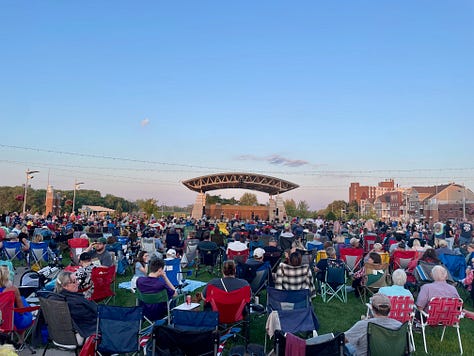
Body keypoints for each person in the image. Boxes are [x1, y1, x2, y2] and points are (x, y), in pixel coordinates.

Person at [54, 270, 98, 339]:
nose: (78, 283)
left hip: (61, 333)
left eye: (77, 279)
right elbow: (90, 319)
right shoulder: (72, 303)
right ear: (65, 285)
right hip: (87, 329)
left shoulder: (58, 297)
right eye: (74, 281)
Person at [0, 267, 33, 345]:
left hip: (1, 323)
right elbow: (21, 311)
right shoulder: (12, 289)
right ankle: (21, 340)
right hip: (13, 324)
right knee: (21, 301)